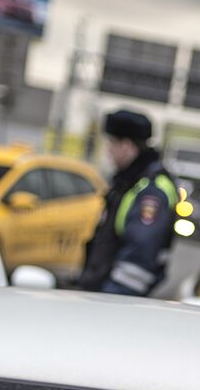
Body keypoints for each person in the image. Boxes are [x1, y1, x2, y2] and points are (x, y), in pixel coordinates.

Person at [76, 108, 179, 296]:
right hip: (105, 295)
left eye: (112, 143)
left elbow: (140, 254)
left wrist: (111, 298)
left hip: (118, 301)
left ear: (128, 145)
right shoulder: (130, 182)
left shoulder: (151, 189)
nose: (108, 150)